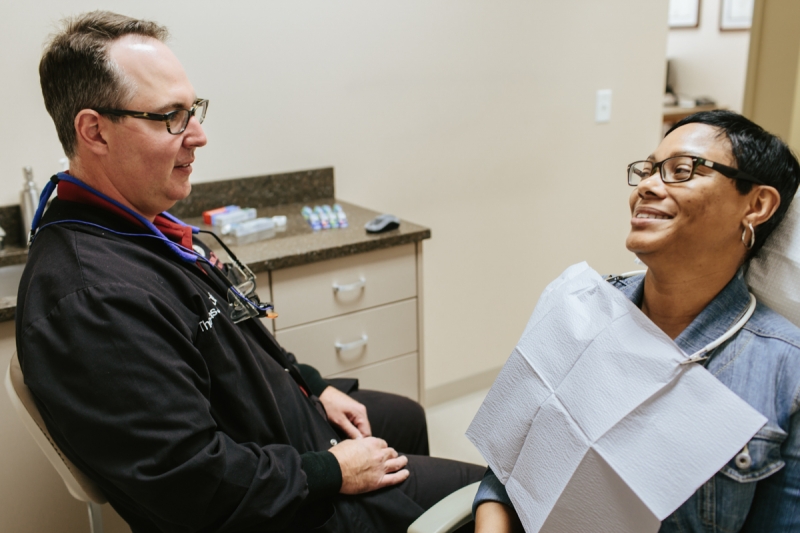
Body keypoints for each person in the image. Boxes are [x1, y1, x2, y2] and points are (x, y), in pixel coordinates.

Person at [17, 11, 484, 533]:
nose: (198, 135)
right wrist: (332, 470)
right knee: (496, 495)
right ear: (94, 131)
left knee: (406, 416)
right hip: (279, 506)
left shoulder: (142, 230)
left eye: (193, 109)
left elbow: (235, 339)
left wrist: (312, 387)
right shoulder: (93, 299)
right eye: (171, 116)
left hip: (277, 434)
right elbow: (192, 485)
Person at [472, 110, 800, 532]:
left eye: (681, 171)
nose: (646, 186)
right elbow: (506, 470)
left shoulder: (784, 373)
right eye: (647, 171)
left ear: (756, 205)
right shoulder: (583, 308)